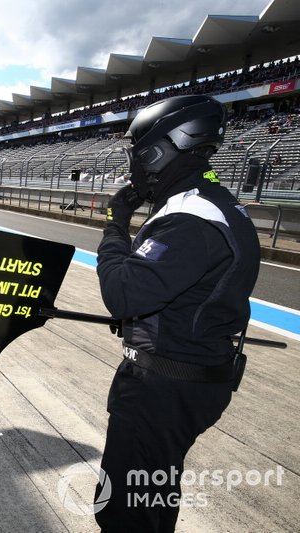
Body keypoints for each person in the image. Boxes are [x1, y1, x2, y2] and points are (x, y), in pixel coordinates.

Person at [94, 95, 260, 532]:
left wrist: (114, 226)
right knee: (149, 495)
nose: (133, 165)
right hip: (189, 376)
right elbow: (179, 294)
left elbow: (123, 292)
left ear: (159, 151)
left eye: (137, 154)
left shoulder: (190, 217)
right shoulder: (213, 202)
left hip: (164, 386)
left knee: (129, 514)